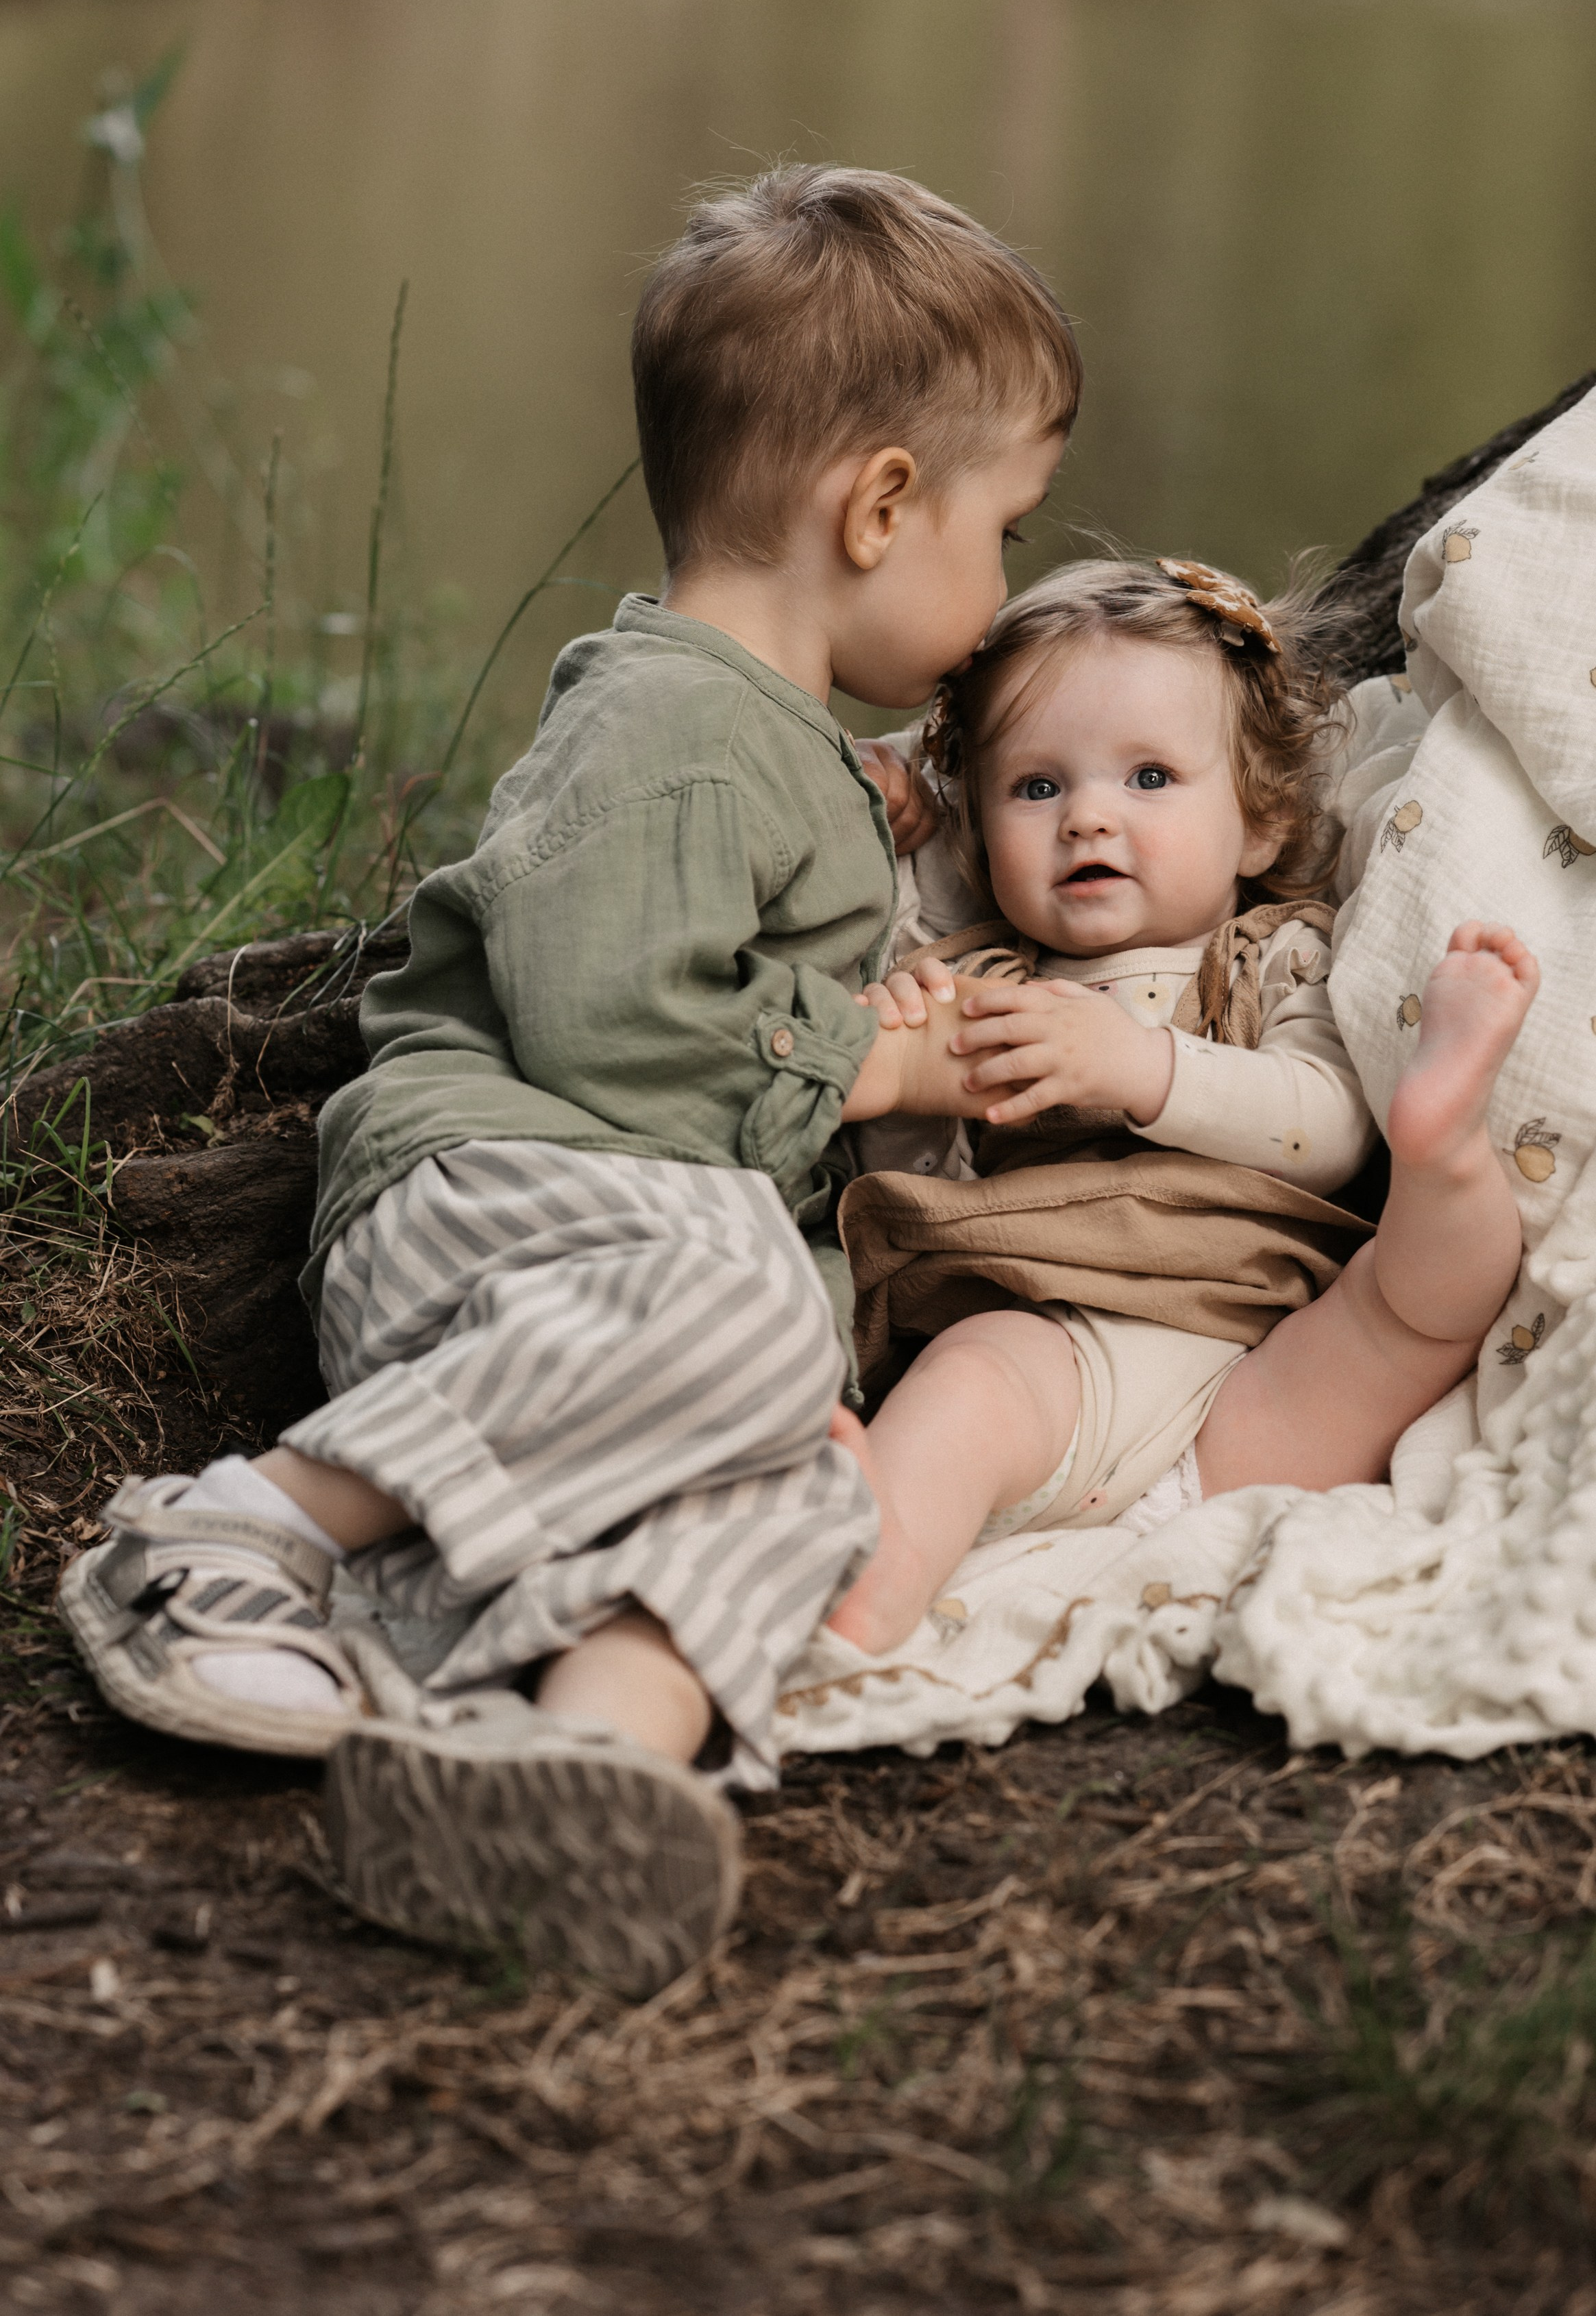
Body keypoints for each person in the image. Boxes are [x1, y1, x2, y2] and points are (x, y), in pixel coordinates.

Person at [58, 166, 1077, 1993]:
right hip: (510, 1190)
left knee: (796, 1478)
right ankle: (240, 1531)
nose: (998, 590)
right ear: (878, 507)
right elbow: (616, 1023)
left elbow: (742, 875)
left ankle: (568, 1758)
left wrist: (869, 807)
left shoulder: (749, 730)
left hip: (628, 1279)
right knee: (755, 1334)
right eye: (1003, 532)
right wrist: (873, 1054)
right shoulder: (665, 722)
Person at [820, 558, 1538, 1654]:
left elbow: (1327, 1126)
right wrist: (910, 1084)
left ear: (1259, 822)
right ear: (978, 829)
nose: (1088, 819)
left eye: (1148, 777)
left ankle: (1443, 1137)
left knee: (1432, 1293)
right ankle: (870, 1578)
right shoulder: (983, 982)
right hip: (1064, 1346)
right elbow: (925, 1191)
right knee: (967, 1387)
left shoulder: (1282, 954)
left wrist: (1141, 1069)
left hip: (1270, 1363)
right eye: (1036, 788)